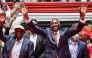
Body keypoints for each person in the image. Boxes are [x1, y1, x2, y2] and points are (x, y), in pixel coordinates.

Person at [20, 2, 87, 58]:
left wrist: (82, 17)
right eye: (52, 23)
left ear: (59, 25)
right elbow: (36, 29)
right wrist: (26, 16)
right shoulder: (47, 32)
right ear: (50, 26)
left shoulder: (65, 32)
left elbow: (77, 28)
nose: (54, 24)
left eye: (56, 23)